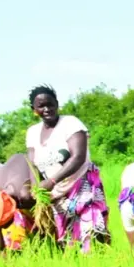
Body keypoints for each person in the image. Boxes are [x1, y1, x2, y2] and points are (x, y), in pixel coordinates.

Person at [26, 85, 109, 251]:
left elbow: (78, 157)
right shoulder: (32, 132)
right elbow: (32, 164)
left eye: (50, 104)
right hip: (55, 193)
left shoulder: (70, 123)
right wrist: (37, 188)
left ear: (57, 104)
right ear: (34, 109)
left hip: (81, 183)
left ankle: (99, 266)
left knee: (91, 230)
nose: (47, 109)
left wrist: (52, 180)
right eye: (41, 106)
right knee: (66, 241)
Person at [0, 153, 45, 253]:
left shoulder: (25, 196)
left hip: (30, 166)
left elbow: (44, 223)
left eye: (5, 224)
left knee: (37, 226)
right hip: (12, 179)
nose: (4, 227)